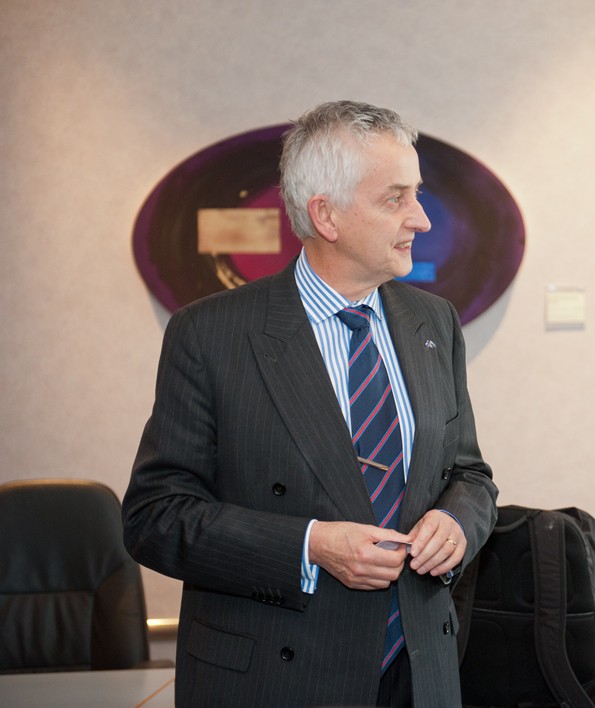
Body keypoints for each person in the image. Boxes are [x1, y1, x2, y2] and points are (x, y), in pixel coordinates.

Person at [123, 100, 498, 707]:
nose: (421, 219)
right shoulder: (212, 334)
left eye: (418, 194)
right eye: (395, 198)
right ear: (326, 215)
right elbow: (156, 516)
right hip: (275, 679)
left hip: (420, 671)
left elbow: (469, 474)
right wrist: (311, 546)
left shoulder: (435, 323)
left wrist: (456, 521)